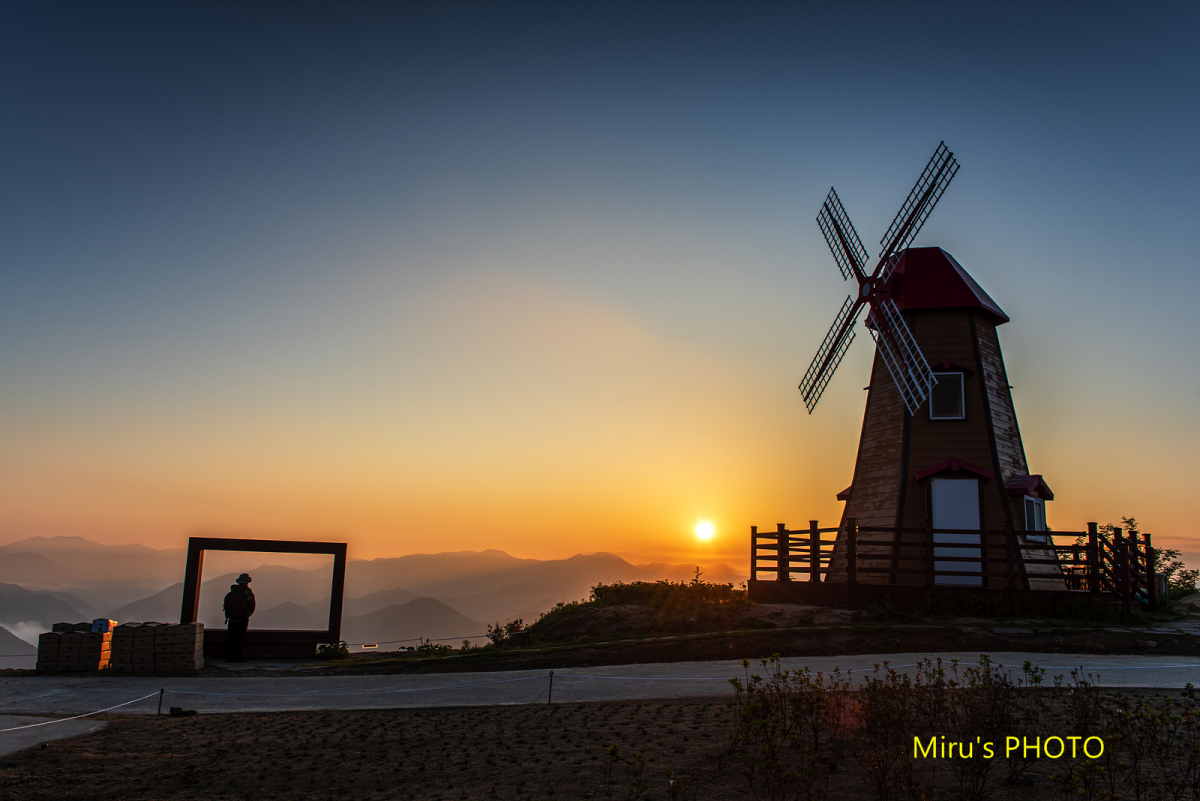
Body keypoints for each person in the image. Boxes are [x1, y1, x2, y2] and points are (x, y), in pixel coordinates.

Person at [223, 573, 256, 662]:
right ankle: (237, 656)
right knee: (239, 637)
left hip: (231, 619)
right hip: (242, 619)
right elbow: (252, 605)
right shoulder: (247, 592)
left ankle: (229, 656)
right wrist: (247, 614)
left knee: (230, 637)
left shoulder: (232, 592)